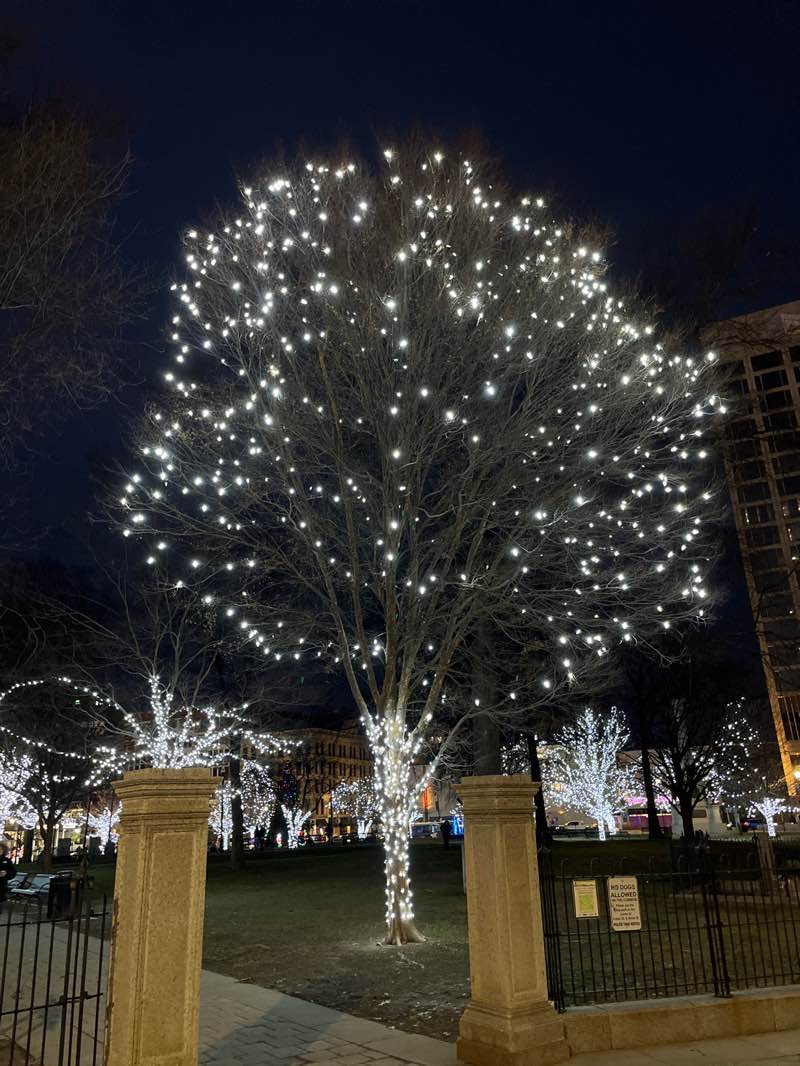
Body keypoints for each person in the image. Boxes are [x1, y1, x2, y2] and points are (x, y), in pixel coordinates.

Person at [0, 840, 17, 912]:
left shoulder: (7, 861)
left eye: (0, 849)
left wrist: (6, 873)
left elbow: (13, 872)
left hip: (1, 885)